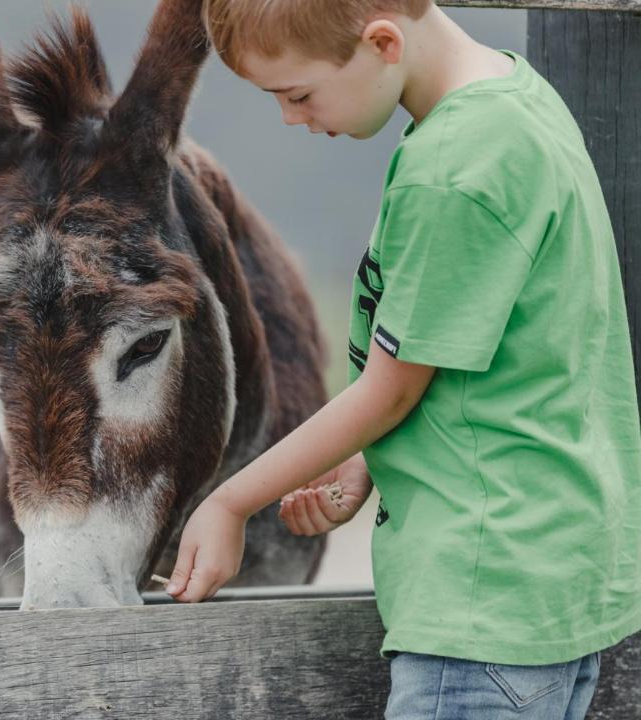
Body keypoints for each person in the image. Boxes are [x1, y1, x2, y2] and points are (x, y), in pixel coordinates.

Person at [164, 1, 641, 716]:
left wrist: (230, 501)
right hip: (543, 582)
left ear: (382, 42)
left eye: (296, 94)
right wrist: (363, 461)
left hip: (479, 606)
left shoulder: (450, 170)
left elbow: (391, 391)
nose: (293, 119)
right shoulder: (520, 105)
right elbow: (476, 356)